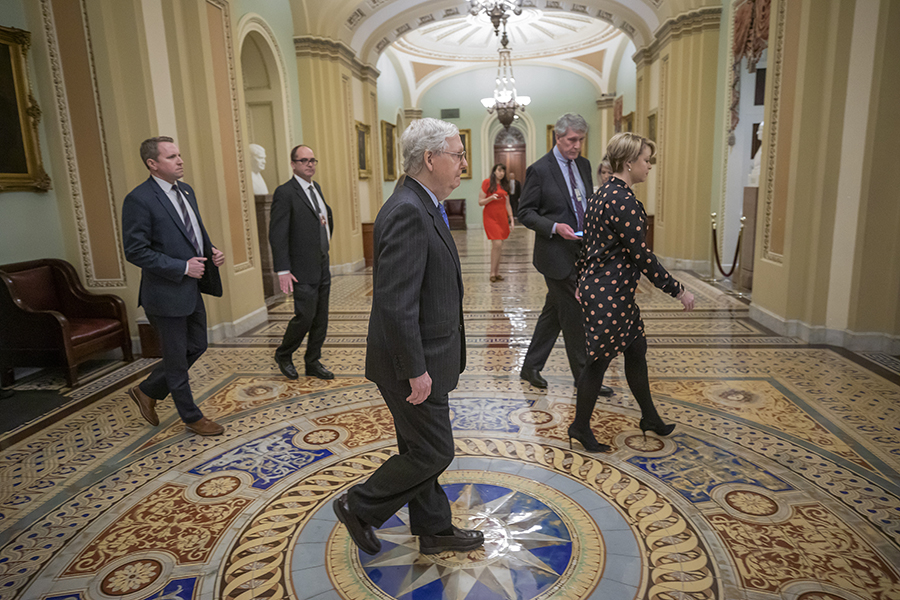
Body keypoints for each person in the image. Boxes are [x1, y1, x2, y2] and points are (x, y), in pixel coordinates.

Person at [333, 118, 483, 557]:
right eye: (457, 155)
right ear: (431, 158)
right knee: (434, 452)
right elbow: (395, 303)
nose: (462, 163)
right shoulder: (408, 210)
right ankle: (359, 506)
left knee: (418, 447)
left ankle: (434, 529)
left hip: (425, 356)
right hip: (411, 363)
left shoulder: (423, 203)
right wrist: (416, 369)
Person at [570, 132, 695, 452]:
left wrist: (582, 281)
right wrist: (678, 290)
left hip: (610, 293)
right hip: (610, 295)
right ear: (629, 163)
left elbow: (588, 247)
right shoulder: (624, 201)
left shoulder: (602, 194)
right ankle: (580, 427)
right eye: (646, 160)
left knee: (636, 350)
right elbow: (642, 257)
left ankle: (649, 416)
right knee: (597, 363)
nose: (649, 166)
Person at [122, 136, 226, 436]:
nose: (180, 160)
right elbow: (135, 251)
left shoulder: (187, 191)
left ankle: (148, 390)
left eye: (179, 155)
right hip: (165, 292)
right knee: (176, 359)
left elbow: (191, 233)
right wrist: (182, 267)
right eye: (171, 157)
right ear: (152, 164)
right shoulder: (139, 199)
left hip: (191, 289)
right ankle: (191, 416)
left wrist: (211, 250)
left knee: (198, 345)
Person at [517, 113, 612, 396]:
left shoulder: (583, 165)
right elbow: (525, 213)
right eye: (572, 140)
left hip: (582, 251)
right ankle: (584, 377)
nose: (577, 146)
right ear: (558, 138)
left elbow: (583, 202)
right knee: (574, 314)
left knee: (554, 313)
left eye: (581, 140)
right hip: (555, 254)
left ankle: (531, 365)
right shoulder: (540, 169)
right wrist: (555, 227)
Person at [269, 145, 335, 381]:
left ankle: (312, 361)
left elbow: (324, 217)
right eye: (304, 160)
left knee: (321, 317)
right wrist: (283, 269)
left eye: (312, 160)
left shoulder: (315, 187)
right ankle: (284, 354)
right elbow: (277, 234)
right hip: (300, 268)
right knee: (304, 316)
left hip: (321, 263)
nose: (310, 164)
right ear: (293, 164)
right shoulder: (285, 192)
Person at [478, 163, 514, 282]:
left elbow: (507, 204)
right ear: (494, 171)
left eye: (503, 171)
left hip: (502, 217)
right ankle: (492, 273)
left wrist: (511, 219)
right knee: (497, 244)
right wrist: (490, 198)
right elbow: (480, 202)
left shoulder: (504, 185)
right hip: (490, 217)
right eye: (499, 170)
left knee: (499, 246)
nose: (501, 173)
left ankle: (496, 272)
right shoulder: (487, 183)